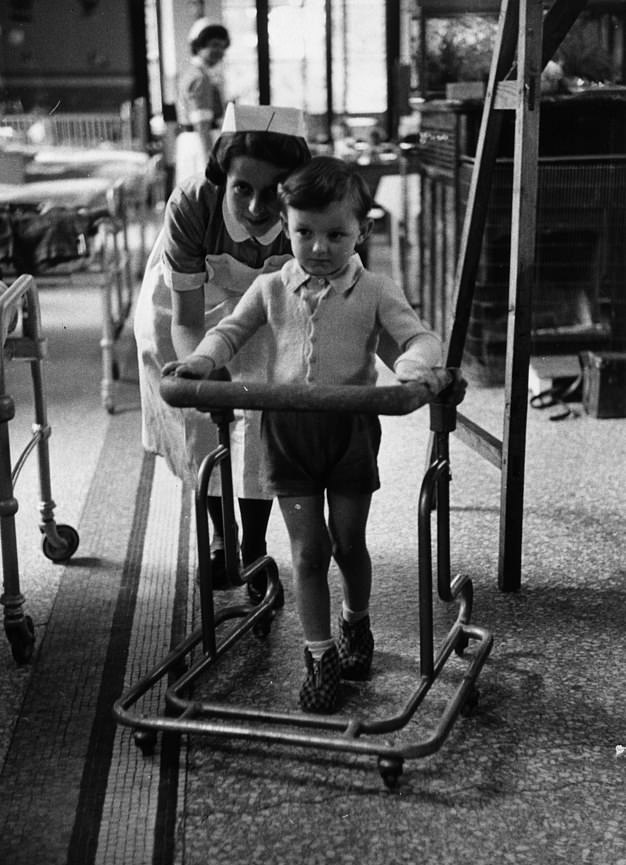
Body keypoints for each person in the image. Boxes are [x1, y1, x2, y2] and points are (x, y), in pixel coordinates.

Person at [162, 156, 446, 713]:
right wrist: (199, 361)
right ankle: (319, 656)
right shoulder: (270, 287)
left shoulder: (375, 290)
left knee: (347, 542)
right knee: (307, 551)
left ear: (363, 231)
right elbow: (227, 332)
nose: (319, 247)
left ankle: (355, 624)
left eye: (336, 234)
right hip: (286, 433)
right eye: (304, 233)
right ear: (287, 227)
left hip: (349, 431)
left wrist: (415, 370)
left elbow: (421, 339)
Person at [133, 102, 311, 602]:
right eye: (242, 189)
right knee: (200, 414)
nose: (258, 207)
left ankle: (253, 544)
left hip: (268, 306)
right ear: (221, 179)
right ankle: (221, 536)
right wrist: (205, 377)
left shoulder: (310, 211)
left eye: (274, 191)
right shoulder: (192, 205)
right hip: (191, 305)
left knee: (263, 409)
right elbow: (188, 321)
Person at [175, 18, 230, 185]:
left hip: (192, 140)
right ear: (199, 46)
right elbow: (202, 124)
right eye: (214, 45)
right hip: (200, 141)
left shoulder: (194, 72)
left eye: (222, 46)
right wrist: (210, 158)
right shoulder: (200, 77)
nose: (219, 51)